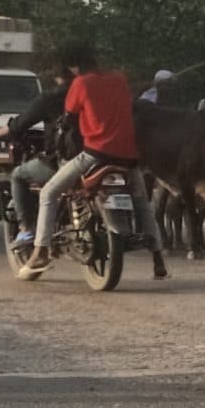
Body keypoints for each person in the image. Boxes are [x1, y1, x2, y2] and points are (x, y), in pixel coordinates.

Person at [29, 41, 158, 271]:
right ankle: (157, 256)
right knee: (142, 201)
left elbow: (69, 117)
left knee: (49, 192)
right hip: (128, 157)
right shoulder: (119, 78)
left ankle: (40, 250)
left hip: (96, 154)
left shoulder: (80, 83)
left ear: (73, 66)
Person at [0, 71, 71, 250]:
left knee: (18, 175)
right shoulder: (97, 94)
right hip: (98, 159)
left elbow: (20, 123)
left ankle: (26, 229)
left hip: (62, 161)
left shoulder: (52, 97)